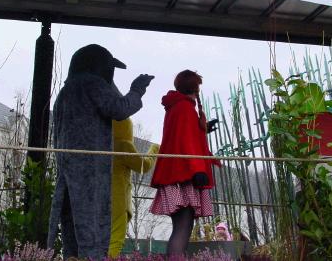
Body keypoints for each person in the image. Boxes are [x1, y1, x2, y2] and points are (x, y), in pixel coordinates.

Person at [47, 44, 154, 260]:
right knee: (92, 233)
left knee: (71, 230)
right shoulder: (91, 84)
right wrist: (137, 90)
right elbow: (118, 109)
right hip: (91, 171)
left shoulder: (65, 92)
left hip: (67, 170)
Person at [150, 70, 220, 256]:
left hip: (176, 175)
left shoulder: (177, 107)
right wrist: (198, 170)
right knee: (182, 228)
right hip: (183, 177)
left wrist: (203, 130)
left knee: (181, 227)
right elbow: (187, 142)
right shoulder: (185, 108)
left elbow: (184, 138)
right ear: (195, 88)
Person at [108, 115, 160, 257]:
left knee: (100, 239)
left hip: (99, 198)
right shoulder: (123, 145)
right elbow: (143, 166)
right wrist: (154, 149)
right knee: (115, 240)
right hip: (118, 201)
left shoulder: (101, 143)